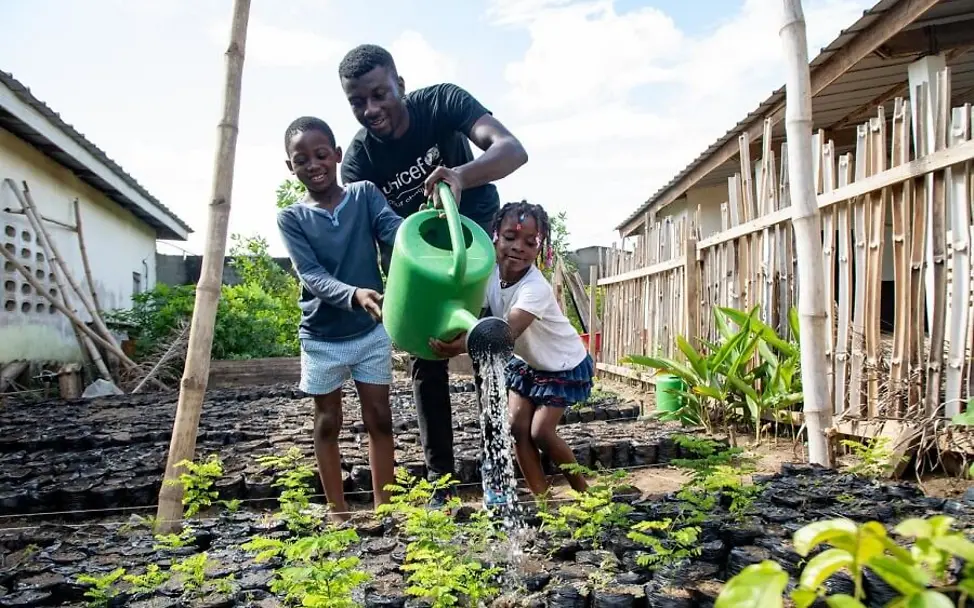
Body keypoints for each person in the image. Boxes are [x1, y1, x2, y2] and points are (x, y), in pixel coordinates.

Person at [337, 43, 529, 504]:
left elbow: (512, 150)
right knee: (428, 363)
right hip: (420, 266)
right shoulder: (359, 162)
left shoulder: (442, 102)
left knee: (486, 352)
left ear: (400, 85)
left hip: (474, 247)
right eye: (358, 102)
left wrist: (461, 175)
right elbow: (371, 232)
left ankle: (497, 476)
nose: (371, 109)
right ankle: (440, 481)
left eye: (380, 94)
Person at [276, 116, 402, 521]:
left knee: (379, 418)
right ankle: (338, 511)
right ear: (290, 167)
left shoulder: (364, 195)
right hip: (322, 337)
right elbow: (311, 276)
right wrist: (354, 294)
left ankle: (386, 509)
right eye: (301, 160)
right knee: (328, 421)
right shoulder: (292, 217)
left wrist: (421, 234)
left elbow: (392, 230)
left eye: (320, 154)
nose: (313, 164)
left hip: (369, 330)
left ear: (337, 155)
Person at [432, 201, 594, 497]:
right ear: (494, 237)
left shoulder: (535, 288)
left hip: (562, 364)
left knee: (541, 432)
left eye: (530, 242)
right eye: (510, 238)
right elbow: (475, 316)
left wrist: (458, 347)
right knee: (517, 428)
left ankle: (586, 495)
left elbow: (506, 334)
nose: (518, 247)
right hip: (528, 364)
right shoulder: (488, 275)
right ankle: (543, 501)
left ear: (540, 249)